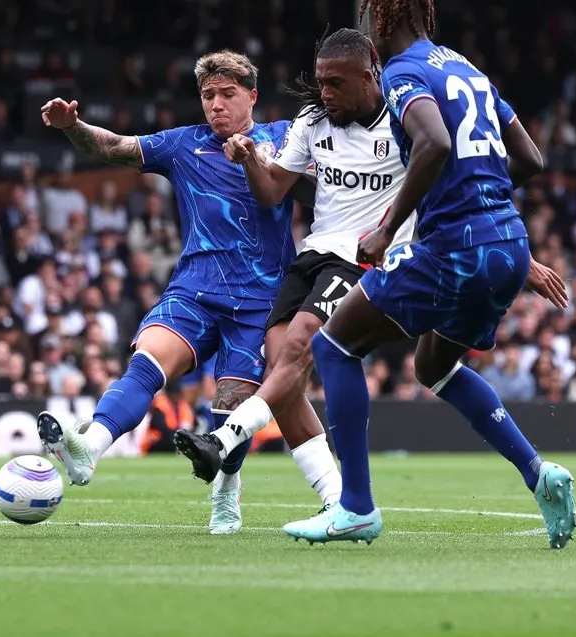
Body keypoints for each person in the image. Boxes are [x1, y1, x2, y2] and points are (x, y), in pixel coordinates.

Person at [281, 0, 576, 549]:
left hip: (454, 249)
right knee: (435, 368)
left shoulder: (402, 71)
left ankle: (356, 508)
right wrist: (480, 201)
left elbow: (437, 141)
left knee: (333, 345)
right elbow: (531, 158)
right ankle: (539, 475)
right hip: (508, 244)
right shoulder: (468, 68)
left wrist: (387, 228)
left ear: (381, 20)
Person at [36, 50, 317, 535]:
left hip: (262, 300)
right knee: (148, 360)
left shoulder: (283, 138)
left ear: (251, 96)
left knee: (229, 405)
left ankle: (226, 495)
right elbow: (114, 147)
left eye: (228, 94)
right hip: (196, 288)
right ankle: (89, 450)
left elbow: (321, 187)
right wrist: (72, 127)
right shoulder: (184, 145)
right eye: (208, 95)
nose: (216, 105)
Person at [173, 28, 413, 511]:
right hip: (312, 256)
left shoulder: (406, 124)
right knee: (283, 375)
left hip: (363, 258)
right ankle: (336, 500)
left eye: (336, 83)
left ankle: (222, 441)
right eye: (320, 81)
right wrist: (248, 161)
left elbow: (449, 183)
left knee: (300, 346)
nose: (324, 92)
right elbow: (271, 191)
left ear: (370, 76)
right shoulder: (312, 121)